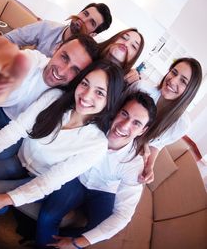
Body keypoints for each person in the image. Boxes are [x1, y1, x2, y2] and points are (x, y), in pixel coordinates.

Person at [0, 60, 125, 220]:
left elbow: (49, 182)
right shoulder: (55, 98)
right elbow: (15, 130)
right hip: (19, 158)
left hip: (38, 177)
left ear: (110, 101)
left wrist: (6, 199)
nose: (86, 95)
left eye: (99, 92)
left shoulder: (97, 144)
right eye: (85, 84)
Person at [34, 91, 157, 248]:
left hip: (104, 190)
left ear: (142, 131)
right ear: (117, 111)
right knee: (47, 216)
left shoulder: (134, 164)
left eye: (136, 123)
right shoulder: (93, 127)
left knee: (98, 230)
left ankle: (56, 241)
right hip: (77, 178)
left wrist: (77, 243)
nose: (125, 125)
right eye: (124, 114)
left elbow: (123, 215)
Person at [0, 33, 99, 133]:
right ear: (57, 48)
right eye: (64, 57)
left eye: (75, 70)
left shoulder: (70, 97)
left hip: (22, 132)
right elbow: (12, 64)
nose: (62, 71)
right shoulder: (30, 59)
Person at [129, 57, 202, 183]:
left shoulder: (182, 125)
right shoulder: (142, 89)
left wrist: (149, 166)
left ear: (189, 92)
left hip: (132, 161)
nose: (173, 81)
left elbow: (157, 144)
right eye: (174, 72)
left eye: (183, 81)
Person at [5, 3, 112, 57]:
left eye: (91, 22)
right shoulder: (46, 27)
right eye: (85, 14)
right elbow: (9, 39)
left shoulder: (84, 57)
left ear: (93, 35)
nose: (83, 20)